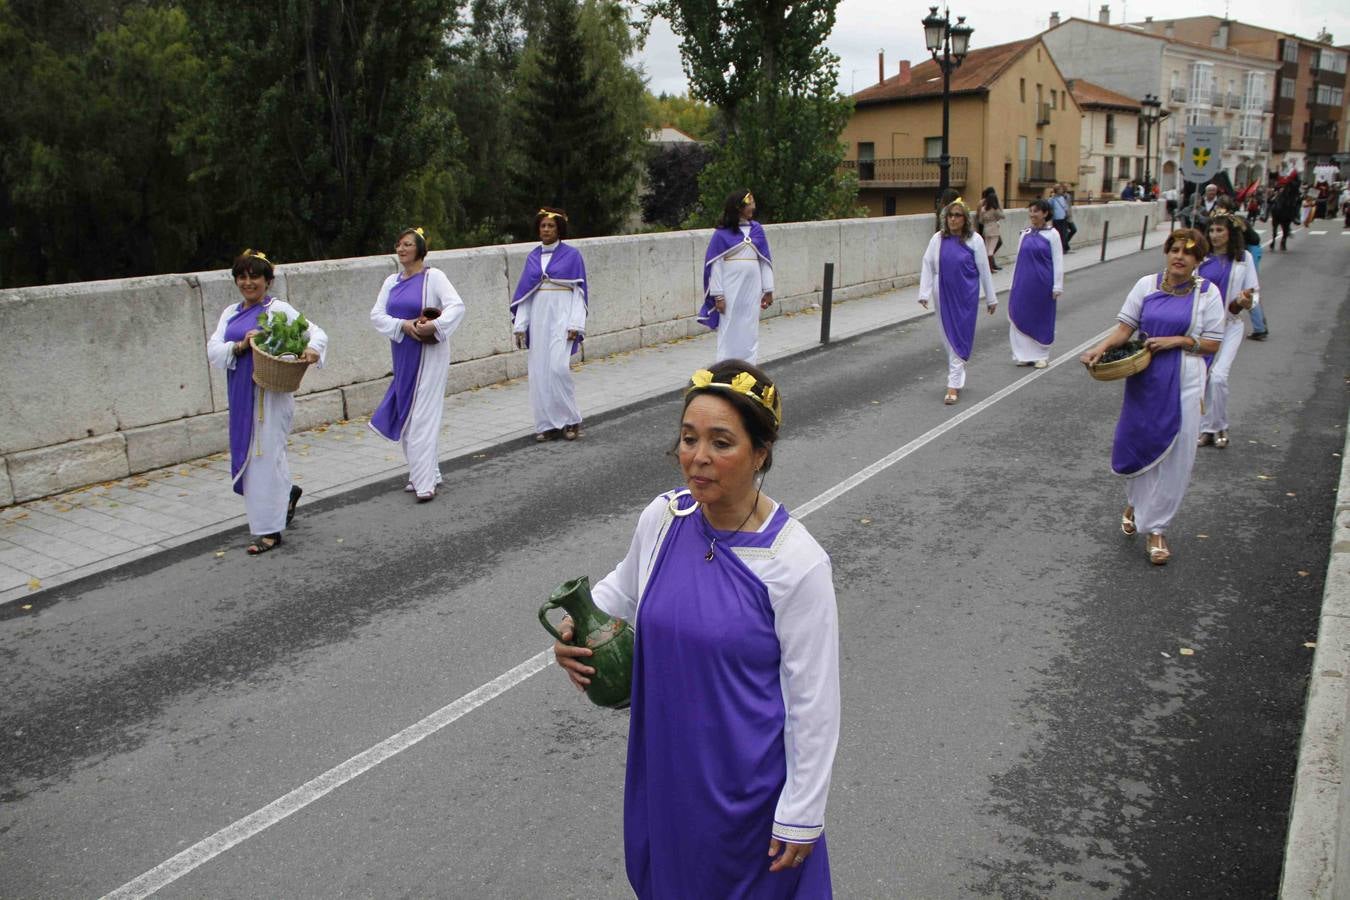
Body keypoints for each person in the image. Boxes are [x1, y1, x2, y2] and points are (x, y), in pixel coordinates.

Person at [553, 360, 840, 898]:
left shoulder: (795, 563)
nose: (698, 457)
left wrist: (803, 810)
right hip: (667, 771)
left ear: (761, 454)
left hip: (749, 791)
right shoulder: (665, 518)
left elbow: (814, 703)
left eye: (721, 442)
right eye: (688, 438)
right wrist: (573, 632)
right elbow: (621, 589)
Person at [1079, 229, 1224, 565]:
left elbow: (1213, 343)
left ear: (1197, 260)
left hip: (1186, 378)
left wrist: (1177, 341)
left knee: (1178, 453)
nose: (1179, 257)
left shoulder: (1208, 294)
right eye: (1174, 250)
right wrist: (1098, 349)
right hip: (1146, 377)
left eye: (1188, 253)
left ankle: (1156, 529)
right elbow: (1124, 330)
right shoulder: (1146, 285)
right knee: (1141, 443)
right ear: (1166, 253)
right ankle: (1138, 505)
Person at [206, 250, 328, 555]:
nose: (248, 283)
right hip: (241, 393)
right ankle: (286, 493)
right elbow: (213, 349)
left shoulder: (278, 309)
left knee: (265, 457)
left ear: (268, 281)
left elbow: (316, 333)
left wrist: (312, 349)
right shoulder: (230, 313)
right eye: (242, 276)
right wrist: (239, 345)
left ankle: (268, 530)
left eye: (255, 277)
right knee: (261, 456)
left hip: (269, 396)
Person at [369, 227, 467, 501]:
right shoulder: (391, 282)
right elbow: (377, 316)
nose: (401, 249)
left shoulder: (434, 277)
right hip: (403, 353)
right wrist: (403, 325)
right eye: (399, 244)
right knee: (408, 416)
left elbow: (456, 306)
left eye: (408, 244)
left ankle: (424, 483)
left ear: (420, 249)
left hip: (429, 355)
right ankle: (426, 472)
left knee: (423, 415)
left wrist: (432, 326)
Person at [511, 207, 588, 442]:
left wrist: (576, 323)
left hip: (562, 318)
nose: (546, 230)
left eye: (551, 226)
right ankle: (547, 424)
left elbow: (579, 294)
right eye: (543, 226)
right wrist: (520, 326)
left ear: (559, 229)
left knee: (558, 369)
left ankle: (571, 418)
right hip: (539, 319)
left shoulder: (572, 255)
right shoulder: (533, 257)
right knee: (539, 372)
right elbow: (526, 294)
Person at [918, 198, 998, 405]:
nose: (953, 219)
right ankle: (955, 380)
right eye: (950, 216)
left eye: (957, 215)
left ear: (965, 219)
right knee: (948, 337)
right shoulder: (938, 239)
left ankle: (953, 382)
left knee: (960, 335)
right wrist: (924, 293)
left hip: (966, 294)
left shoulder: (975, 240)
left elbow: (983, 270)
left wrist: (991, 298)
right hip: (942, 292)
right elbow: (928, 265)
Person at [1196, 213, 1260, 450]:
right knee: (1203, 378)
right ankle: (1206, 429)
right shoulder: (1201, 259)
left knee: (1219, 376)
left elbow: (1252, 293)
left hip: (1230, 326)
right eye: (1211, 231)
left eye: (1219, 231)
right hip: (1204, 328)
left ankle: (1218, 426)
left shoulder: (1244, 259)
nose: (1214, 235)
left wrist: (1245, 301)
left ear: (1231, 234)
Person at [699, 190, 774, 363]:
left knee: (749, 326)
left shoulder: (757, 230)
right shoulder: (722, 234)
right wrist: (718, 295)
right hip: (731, 287)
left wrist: (768, 290)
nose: (753, 208)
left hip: (752, 287)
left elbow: (765, 260)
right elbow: (716, 265)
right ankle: (725, 365)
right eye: (749, 204)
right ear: (738, 208)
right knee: (730, 325)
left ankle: (749, 366)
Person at [1007, 199, 1063, 369]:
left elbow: (1058, 260)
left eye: (1036, 211)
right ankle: (1023, 355)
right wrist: (1013, 283)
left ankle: (1041, 355)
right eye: (1030, 211)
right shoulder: (1024, 233)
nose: (1032, 214)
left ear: (1045, 213)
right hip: (1024, 282)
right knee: (1021, 314)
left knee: (1041, 318)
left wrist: (1057, 285)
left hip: (1043, 284)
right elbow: (1018, 260)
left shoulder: (1053, 234)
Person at [1214, 197, 1268, 340]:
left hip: (1246, 255)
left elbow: (1255, 239)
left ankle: (1260, 328)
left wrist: (1244, 229)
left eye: (1220, 207)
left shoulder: (1237, 221)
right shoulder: (1216, 220)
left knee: (1248, 291)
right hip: (1233, 256)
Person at [977, 187, 1006, 271]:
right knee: (991, 250)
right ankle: (990, 268)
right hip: (994, 229)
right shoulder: (994, 209)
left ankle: (987, 267)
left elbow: (980, 220)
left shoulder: (983, 209)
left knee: (986, 249)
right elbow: (1002, 216)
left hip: (985, 229)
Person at [1269, 177, 1300, 251]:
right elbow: (1278, 182)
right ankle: (1265, 215)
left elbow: (1297, 186)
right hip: (1280, 191)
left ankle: (1296, 216)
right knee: (1271, 200)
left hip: (1291, 195)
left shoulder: (1294, 180)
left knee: (1296, 203)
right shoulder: (1285, 176)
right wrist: (1280, 187)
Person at [1049, 184, 1071, 251]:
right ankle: (1059, 248)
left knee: (1064, 233)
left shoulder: (1062, 198)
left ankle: (1064, 248)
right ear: (1057, 190)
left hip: (1063, 218)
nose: (1062, 190)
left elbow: (1065, 207)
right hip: (1056, 219)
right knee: (1058, 234)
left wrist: (1067, 214)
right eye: (1060, 189)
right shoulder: (1052, 199)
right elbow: (1049, 207)